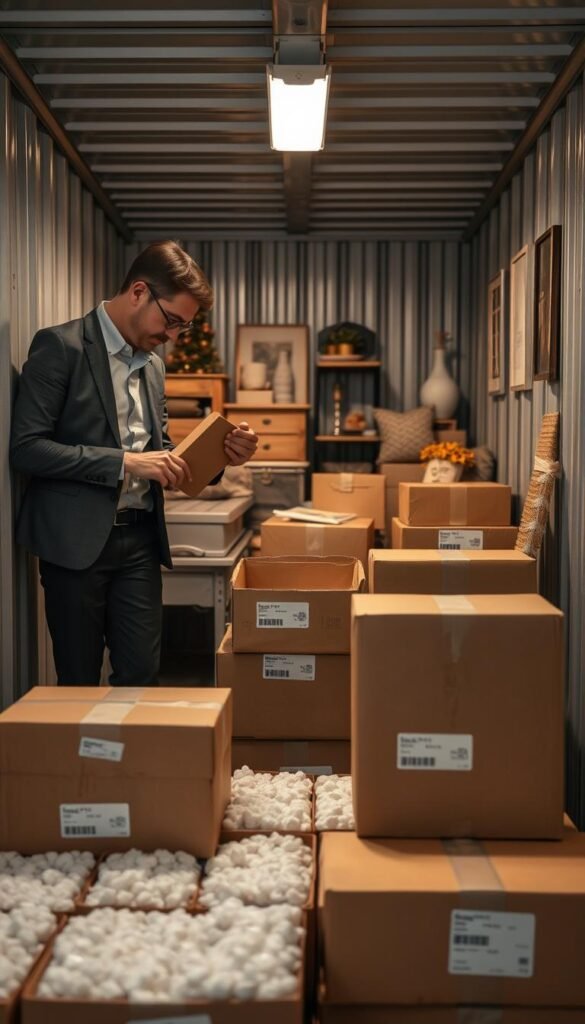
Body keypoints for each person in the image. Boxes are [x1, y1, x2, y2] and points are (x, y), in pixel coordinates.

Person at [10, 240, 258, 686]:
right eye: (173, 322)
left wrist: (222, 457)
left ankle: (128, 758)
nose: (174, 337)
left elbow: (165, 455)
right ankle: (86, 759)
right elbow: (27, 448)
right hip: (74, 545)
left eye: (183, 328)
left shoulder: (154, 366)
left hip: (140, 540)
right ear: (139, 292)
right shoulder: (59, 346)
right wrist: (126, 462)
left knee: (142, 675)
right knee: (79, 681)